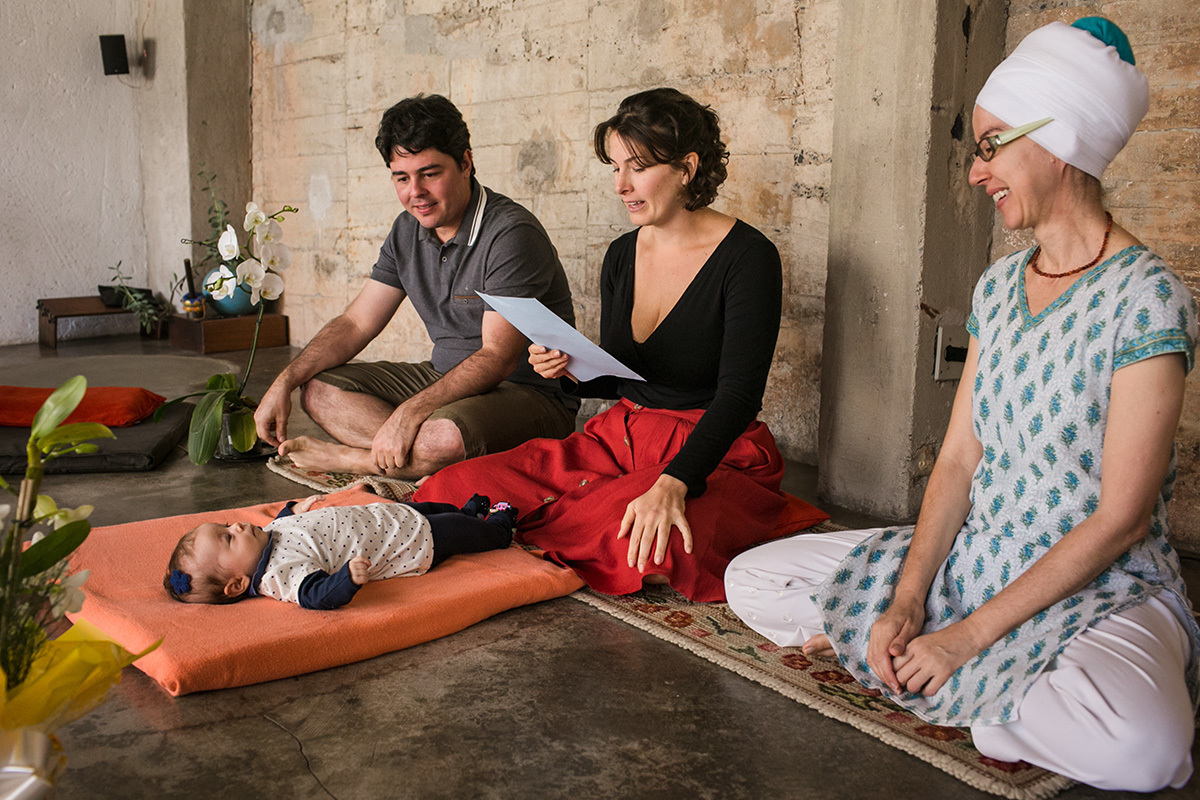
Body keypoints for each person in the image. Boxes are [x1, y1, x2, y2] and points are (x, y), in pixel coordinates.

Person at [725, 18, 1199, 792]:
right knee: (752, 578)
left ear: (1061, 139)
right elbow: (956, 460)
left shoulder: (1147, 300)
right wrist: (909, 605)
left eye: (990, 146)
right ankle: (957, 677)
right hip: (979, 560)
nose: (978, 172)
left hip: (1101, 583)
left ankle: (964, 684)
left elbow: (1120, 519)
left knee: (1146, 753)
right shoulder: (998, 287)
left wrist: (965, 640)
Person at [412, 88, 828, 603]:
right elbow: (622, 375)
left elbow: (739, 395)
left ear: (687, 167)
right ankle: (540, 525)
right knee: (453, 487)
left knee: (639, 544)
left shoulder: (749, 258)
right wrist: (566, 366)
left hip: (711, 450)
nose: (621, 185)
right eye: (614, 167)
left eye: (637, 167)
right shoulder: (621, 254)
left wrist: (676, 482)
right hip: (619, 438)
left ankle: (545, 531)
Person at [255, 94, 577, 480]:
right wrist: (285, 380)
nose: (416, 192)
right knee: (319, 392)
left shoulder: (509, 233)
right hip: (444, 378)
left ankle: (353, 459)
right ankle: (413, 458)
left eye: (430, 173)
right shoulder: (407, 229)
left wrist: (409, 413)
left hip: (525, 394)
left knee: (438, 439)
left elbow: (497, 358)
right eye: (402, 178)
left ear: (465, 162)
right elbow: (357, 322)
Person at [163, 494, 517, 609]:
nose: (236, 527)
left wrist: (294, 511)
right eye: (227, 539)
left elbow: (284, 523)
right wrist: (347, 579)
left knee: (430, 507)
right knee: (452, 532)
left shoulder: (261, 538)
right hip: (407, 544)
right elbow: (316, 596)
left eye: (226, 525)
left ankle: (468, 513)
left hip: (386, 517)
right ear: (238, 584)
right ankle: (497, 530)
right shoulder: (279, 575)